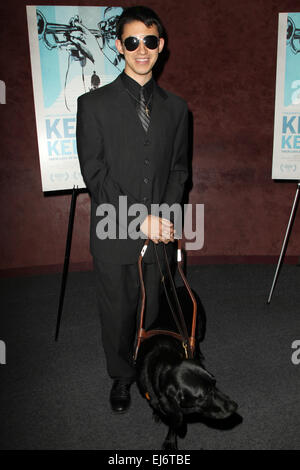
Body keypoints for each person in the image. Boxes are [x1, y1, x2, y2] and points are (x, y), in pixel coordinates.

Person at [76, 6, 189, 413]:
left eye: (150, 41)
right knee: (118, 311)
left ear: (162, 46)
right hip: (113, 228)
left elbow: (179, 170)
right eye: (132, 41)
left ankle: (149, 370)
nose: (142, 49)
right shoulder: (93, 105)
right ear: (119, 46)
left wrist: (165, 217)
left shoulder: (177, 109)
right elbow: (96, 173)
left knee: (154, 307)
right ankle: (121, 377)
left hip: (160, 231)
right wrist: (141, 218)